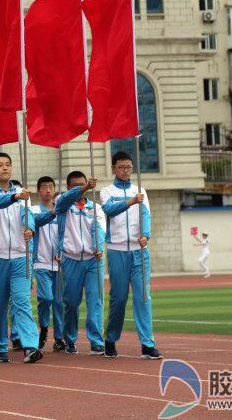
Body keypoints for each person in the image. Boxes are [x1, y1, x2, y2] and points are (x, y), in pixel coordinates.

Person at [0, 152, 42, 364]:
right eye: (0, 165)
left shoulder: (22, 193)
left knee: (22, 300)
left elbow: (28, 215)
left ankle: (30, 346)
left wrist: (29, 229)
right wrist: (14, 197)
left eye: (8, 165)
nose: (5, 168)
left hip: (21, 254)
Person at [100, 151, 162, 360]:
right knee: (119, 298)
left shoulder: (140, 190)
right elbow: (109, 210)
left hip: (139, 251)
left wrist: (145, 235)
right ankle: (110, 339)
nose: (125, 170)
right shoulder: (107, 191)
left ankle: (147, 344)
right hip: (117, 250)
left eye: (128, 167)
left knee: (143, 297)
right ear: (114, 169)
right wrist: (130, 202)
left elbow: (146, 215)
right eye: (121, 167)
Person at [52, 172, 104, 355]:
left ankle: (96, 340)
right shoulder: (62, 204)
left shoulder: (95, 208)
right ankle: (70, 339)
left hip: (92, 260)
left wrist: (99, 246)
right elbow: (66, 198)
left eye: (82, 184)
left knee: (95, 301)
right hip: (71, 259)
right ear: (68, 187)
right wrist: (84, 187)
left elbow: (99, 228)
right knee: (72, 303)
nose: (81, 188)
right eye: (75, 185)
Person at [31, 177, 65, 352]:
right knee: (46, 298)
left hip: (58, 264)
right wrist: (52, 213)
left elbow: (64, 234)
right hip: (41, 262)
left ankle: (59, 338)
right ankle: (44, 328)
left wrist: (62, 250)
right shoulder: (33, 210)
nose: (48, 190)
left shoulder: (61, 212)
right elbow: (36, 222)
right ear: (38, 191)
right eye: (44, 187)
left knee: (59, 302)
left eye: (51, 187)